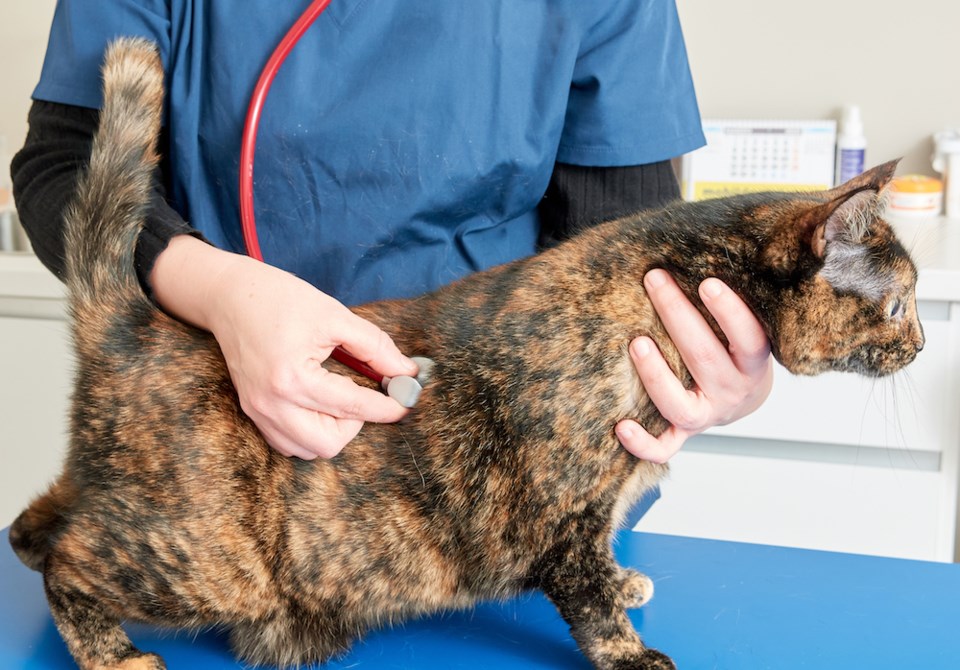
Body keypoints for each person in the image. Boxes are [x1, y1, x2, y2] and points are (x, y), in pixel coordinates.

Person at [13, 1, 772, 468]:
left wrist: (708, 366)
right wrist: (218, 289)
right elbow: (64, 166)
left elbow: (627, 250)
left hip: (501, 457)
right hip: (219, 443)